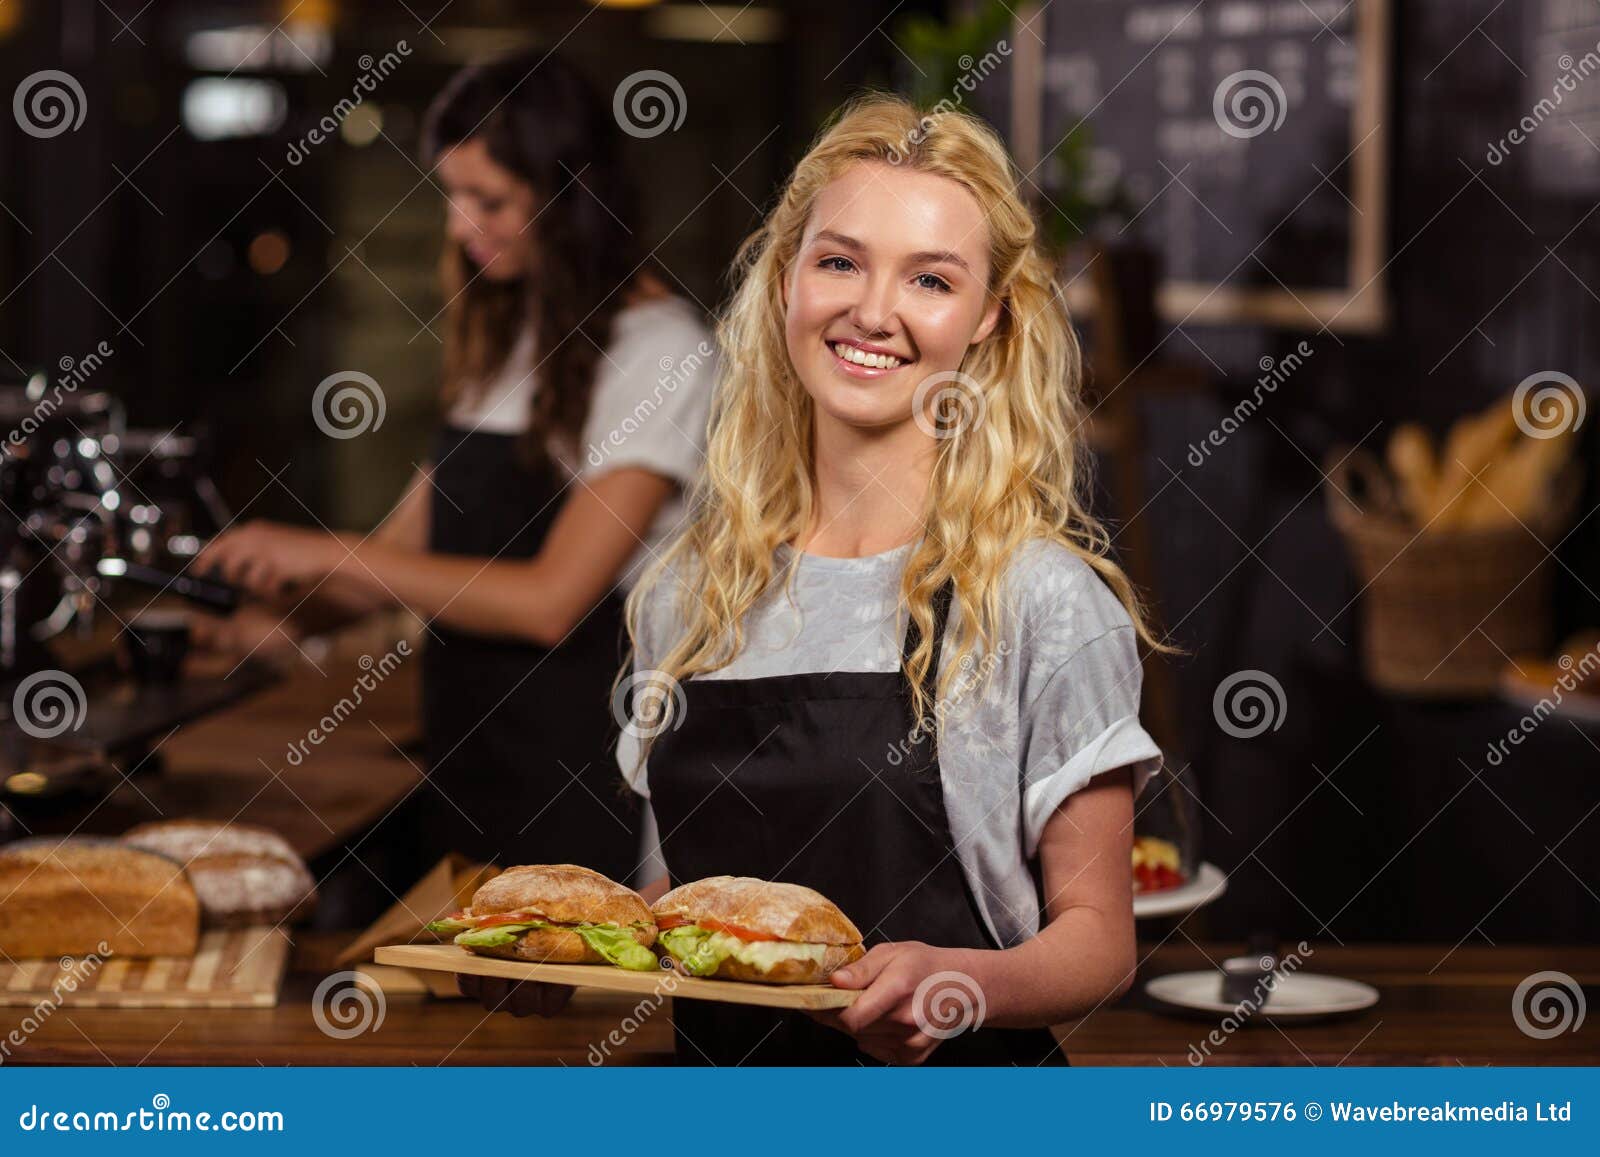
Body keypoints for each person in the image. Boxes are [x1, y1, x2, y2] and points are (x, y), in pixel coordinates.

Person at [460, 93, 1166, 1065]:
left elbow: (1099, 936)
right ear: (787, 278)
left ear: (988, 318)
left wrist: (961, 983)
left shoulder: (1041, 598)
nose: (871, 310)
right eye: (839, 260)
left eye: (929, 278)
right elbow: (691, 909)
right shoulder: (688, 593)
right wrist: (570, 953)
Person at [196, 52, 715, 883]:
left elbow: (550, 601)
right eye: (452, 193)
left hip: (586, 779)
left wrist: (322, 549)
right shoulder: (509, 342)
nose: (459, 223)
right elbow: (404, 552)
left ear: (569, 195)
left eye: (489, 200)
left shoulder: (662, 356)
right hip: (476, 762)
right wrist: (273, 614)